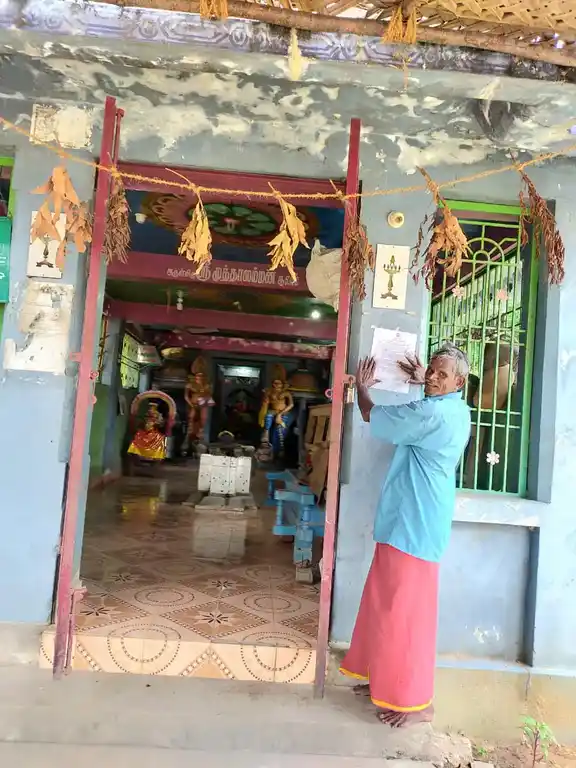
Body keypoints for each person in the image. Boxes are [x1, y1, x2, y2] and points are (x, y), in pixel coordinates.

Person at [340, 343, 471, 728]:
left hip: (415, 524)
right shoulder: (455, 408)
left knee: (405, 614)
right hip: (407, 520)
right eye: (431, 369)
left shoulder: (432, 412)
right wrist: (421, 382)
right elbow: (425, 405)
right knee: (383, 603)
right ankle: (382, 678)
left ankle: (417, 705)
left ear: (458, 382)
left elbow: (372, 415)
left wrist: (362, 388)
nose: (431, 376)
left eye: (441, 374)